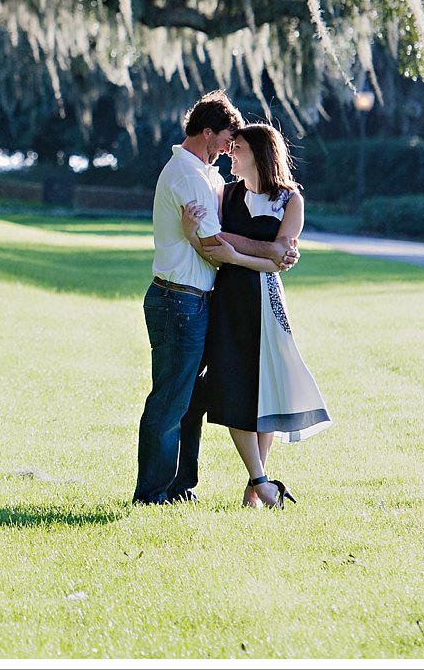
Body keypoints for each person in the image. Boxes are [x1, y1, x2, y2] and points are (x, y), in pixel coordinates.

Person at [133, 92, 297, 505]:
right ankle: (152, 493)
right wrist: (273, 250)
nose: (230, 147)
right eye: (227, 138)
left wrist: (277, 248)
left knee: (193, 399)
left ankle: (179, 486)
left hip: (201, 301)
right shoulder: (189, 176)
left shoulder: (207, 175)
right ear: (207, 133)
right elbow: (212, 243)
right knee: (171, 400)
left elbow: (220, 237)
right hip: (178, 301)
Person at [182, 121, 331, 509]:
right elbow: (216, 245)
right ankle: (262, 481)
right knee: (232, 383)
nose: (231, 153)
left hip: (266, 301)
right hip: (227, 301)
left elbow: (281, 260)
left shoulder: (290, 200)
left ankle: (257, 484)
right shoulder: (222, 194)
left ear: (260, 153)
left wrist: (234, 253)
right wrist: (224, 246)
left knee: (264, 387)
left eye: (239, 148)